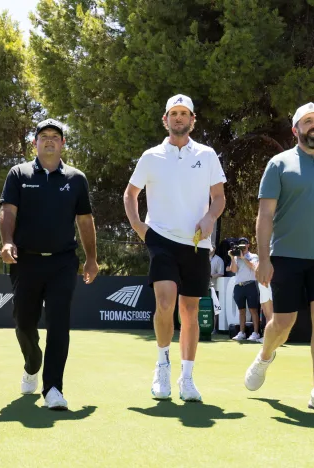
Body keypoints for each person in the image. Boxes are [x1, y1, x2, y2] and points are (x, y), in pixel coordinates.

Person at [245, 103, 314, 415]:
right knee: (284, 322)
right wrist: (264, 259)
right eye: (308, 121)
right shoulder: (278, 164)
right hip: (286, 255)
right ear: (296, 129)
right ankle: (265, 356)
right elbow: (264, 215)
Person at [124, 94, 227, 402]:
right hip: (162, 240)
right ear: (165, 120)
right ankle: (162, 367)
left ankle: (188, 377)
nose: (179, 118)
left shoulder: (207, 155)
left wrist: (210, 216)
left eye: (184, 113)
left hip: (196, 244)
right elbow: (130, 195)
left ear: (192, 120)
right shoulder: (150, 156)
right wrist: (140, 228)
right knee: (166, 302)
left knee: (190, 310)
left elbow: (219, 197)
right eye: (174, 113)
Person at [0, 118, 99, 410]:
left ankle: (53, 387)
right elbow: (7, 210)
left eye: (56, 136)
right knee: (23, 322)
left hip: (62, 263)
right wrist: (7, 241)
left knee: (59, 324)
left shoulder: (76, 178)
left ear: (63, 143)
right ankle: (32, 363)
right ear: (35, 143)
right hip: (25, 261)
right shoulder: (19, 174)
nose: (50, 140)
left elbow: (85, 220)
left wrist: (91, 259)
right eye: (44, 136)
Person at [229, 238, 262, 342]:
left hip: (250, 284)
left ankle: (256, 333)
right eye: (240, 245)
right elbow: (234, 270)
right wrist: (232, 257)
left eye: (244, 244)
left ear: (248, 245)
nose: (242, 246)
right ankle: (242, 332)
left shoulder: (253, 256)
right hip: (239, 286)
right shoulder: (236, 257)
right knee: (241, 310)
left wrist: (243, 258)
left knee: (253, 310)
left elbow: (254, 267)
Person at [209, 247, 225, 334]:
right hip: (203, 287)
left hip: (214, 288)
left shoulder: (219, 260)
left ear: (214, 249)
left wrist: (211, 276)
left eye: (210, 247)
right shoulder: (203, 258)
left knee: (214, 308)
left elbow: (221, 273)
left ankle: (214, 328)